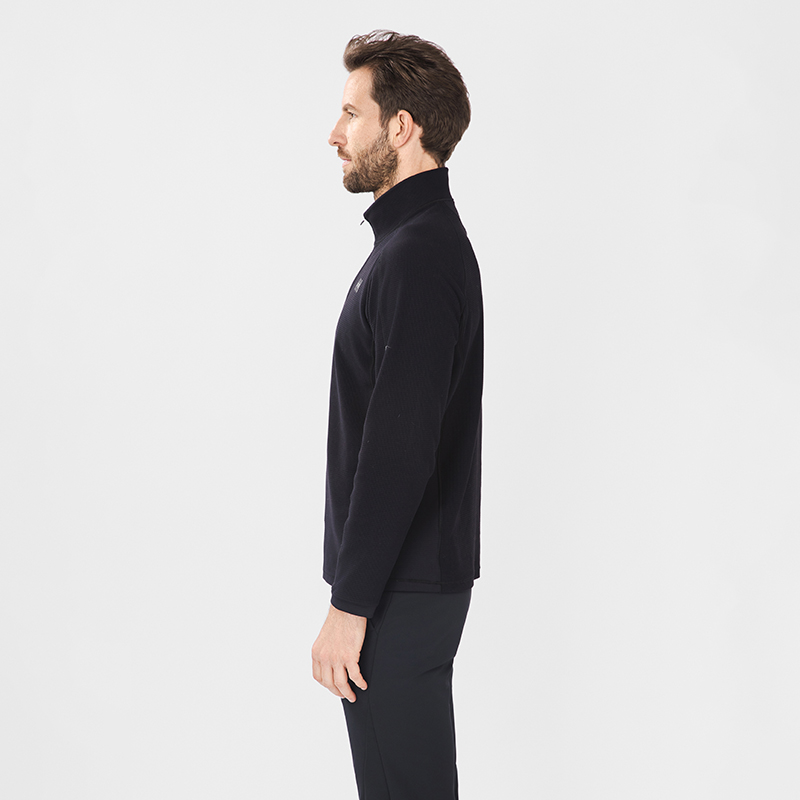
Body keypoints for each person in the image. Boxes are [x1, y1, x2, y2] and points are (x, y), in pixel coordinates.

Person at [311, 30, 483, 800]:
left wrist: (350, 606)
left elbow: (400, 445)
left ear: (402, 126)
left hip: (397, 590)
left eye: (352, 113)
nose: (335, 133)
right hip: (401, 581)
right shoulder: (410, 246)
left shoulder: (417, 256)